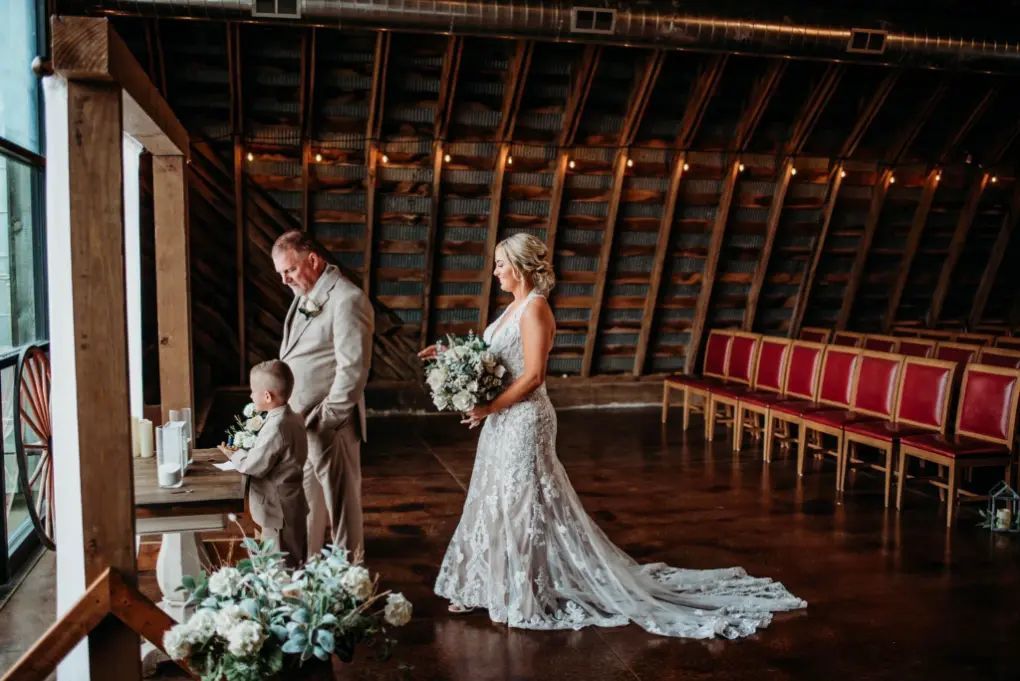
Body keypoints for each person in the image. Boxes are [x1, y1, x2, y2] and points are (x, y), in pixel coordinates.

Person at [425, 232, 806, 639]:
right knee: (494, 497)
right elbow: (494, 358)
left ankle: (521, 593)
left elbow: (534, 375)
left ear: (519, 267)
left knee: (523, 503)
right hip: (504, 419)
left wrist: (490, 407)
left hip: (524, 421)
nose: (495, 271)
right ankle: (488, 584)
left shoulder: (535, 310)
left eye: (501, 263)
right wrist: (452, 358)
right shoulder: (511, 310)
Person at [273, 230, 374, 559]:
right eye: (281, 274)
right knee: (308, 502)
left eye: (289, 270)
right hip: (303, 422)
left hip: (332, 424)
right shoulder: (306, 294)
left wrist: (328, 418)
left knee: (342, 506)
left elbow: (353, 369)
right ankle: (310, 571)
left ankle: (350, 582)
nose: (285, 280)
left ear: (313, 260)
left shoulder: (347, 299)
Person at [220, 360, 308, 567]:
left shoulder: (276, 426)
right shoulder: (293, 417)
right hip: (292, 501)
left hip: (276, 509)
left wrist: (234, 454)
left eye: (253, 391)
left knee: (278, 565)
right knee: (293, 557)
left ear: (267, 396)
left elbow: (253, 466)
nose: (251, 396)